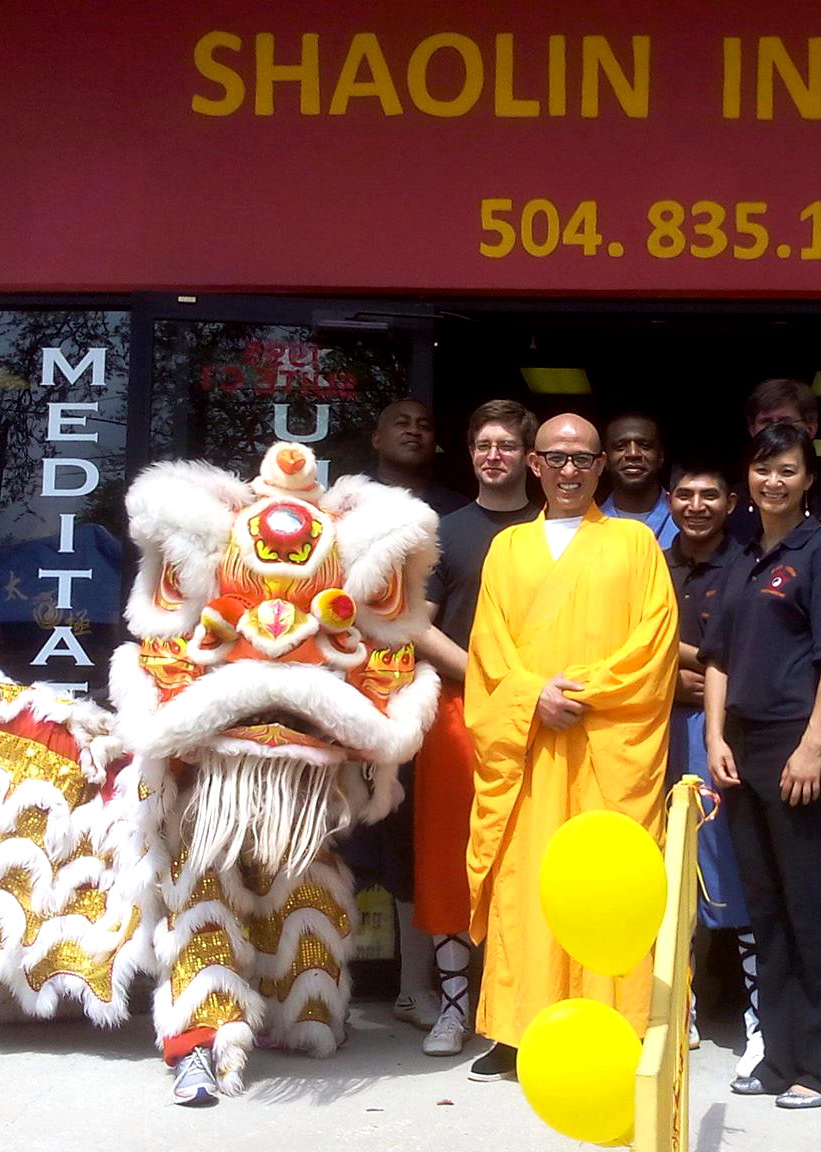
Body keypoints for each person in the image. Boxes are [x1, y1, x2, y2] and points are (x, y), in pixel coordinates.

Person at [464, 413, 679, 1082]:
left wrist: (576, 693)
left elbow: (655, 643)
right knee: (525, 882)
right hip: (529, 745)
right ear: (533, 464)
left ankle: (615, 1020)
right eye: (555, 458)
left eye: (582, 459)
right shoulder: (505, 550)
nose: (567, 471)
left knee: (601, 882)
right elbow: (488, 651)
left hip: (605, 743)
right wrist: (534, 697)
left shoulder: (636, 543)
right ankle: (517, 1028)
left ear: (600, 467)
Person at [700, 423, 821, 1110]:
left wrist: (811, 745)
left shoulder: (820, 554)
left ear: (806, 481)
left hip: (801, 753)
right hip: (743, 748)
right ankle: (782, 1057)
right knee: (766, 913)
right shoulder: (744, 555)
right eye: (764, 470)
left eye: (788, 471)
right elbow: (717, 658)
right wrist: (714, 737)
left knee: (813, 912)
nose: (773, 481)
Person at [410, 400, 540, 1057]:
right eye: (483, 444)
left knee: (528, 856)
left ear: (530, 456)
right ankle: (456, 1007)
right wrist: (489, 681)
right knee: (448, 858)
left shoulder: (555, 529)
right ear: (471, 453)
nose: (494, 455)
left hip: (546, 716)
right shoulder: (446, 531)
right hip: (459, 710)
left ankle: (520, 1005)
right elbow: (415, 624)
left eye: (507, 445)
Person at [344, 396, 464, 1036]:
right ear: (376, 434)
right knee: (334, 840)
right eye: (401, 423)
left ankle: (412, 986)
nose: (415, 431)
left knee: (407, 837)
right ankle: (316, 985)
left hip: (416, 696)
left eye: (426, 424)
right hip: (333, 687)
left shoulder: (451, 509)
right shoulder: (341, 504)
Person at [663, 458, 762, 1075]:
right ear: (669, 500)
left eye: (709, 493)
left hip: (731, 733)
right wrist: (673, 671)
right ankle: (677, 1006)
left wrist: (717, 675)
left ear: (730, 501)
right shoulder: (649, 563)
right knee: (667, 866)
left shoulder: (752, 563)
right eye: (685, 493)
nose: (696, 504)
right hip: (657, 727)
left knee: (734, 862)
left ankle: (761, 1011)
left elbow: (767, 641)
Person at [728, 379, 821, 542]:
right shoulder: (730, 502)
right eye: (766, 422)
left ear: (811, 428)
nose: (776, 430)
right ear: (751, 429)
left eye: (785, 422)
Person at [373, 397, 468, 515]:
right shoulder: (348, 498)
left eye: (424, 426)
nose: (414, 431)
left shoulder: (458, 509)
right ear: (377, 439)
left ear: (434, 444)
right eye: (402, 423)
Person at [601, 412, 679, 546]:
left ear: (660, 457)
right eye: (620, 446)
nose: (633, 454)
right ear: (605, 461)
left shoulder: (688, 522)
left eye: (644, 445)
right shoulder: (586, 524)